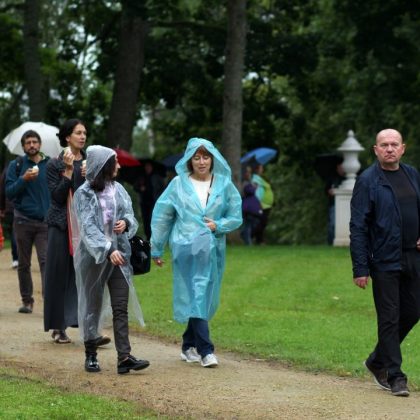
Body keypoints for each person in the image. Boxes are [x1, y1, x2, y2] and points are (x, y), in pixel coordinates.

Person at [151, 137, 242, 367]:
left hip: (211, 250)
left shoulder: (224, 184)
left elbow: (236, 216)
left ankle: (187, 344)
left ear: (213, 159)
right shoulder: (178, 184)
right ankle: (206, 350)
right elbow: (162, 216)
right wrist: (156, 248)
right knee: (197, 293)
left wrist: (217, 225)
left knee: (200, 295)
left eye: (206, 157)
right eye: (197, 157)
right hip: (184, 247)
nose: (202, 162)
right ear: (189, 161)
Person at [350, 128, 420, 397]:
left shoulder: (412, 174)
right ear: (376, 150)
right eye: (384, 145)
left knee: (413, 311)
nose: (389, 149)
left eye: (394, 144)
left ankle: (377, 360)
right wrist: (360, 268)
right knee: (389, 318)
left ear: (403, 148)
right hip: (384, 260)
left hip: (413, 257)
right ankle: (395, 375)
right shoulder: (368, 181)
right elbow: (358, 226)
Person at [73, 145, 149, 374]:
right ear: (103, 165)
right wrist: (107, 249)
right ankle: (91, 354)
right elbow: (87, 227)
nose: (119, 165)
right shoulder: (84, 193)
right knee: (92, 306)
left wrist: (126, 223)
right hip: (94, 258)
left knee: (120, 307)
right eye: (115, 161)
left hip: (120, 257)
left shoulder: (119, 190)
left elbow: (130, 216)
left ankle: (124, 357)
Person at [43, 119, 111, 347]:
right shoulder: (54, 164)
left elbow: (102, 192)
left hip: (87, 227)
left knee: (88, 277)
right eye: (78, 133)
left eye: (84, 133)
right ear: (67, 137)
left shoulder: (90, 161)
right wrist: (69, 172)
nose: (83, 136)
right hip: (61, 226)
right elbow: (57, 197)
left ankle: (90, 331)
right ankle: (58, 327)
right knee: (59, 274)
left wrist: (90, 177)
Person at [5, 130, 50, 314]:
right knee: (24, 263)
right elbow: (9, 192)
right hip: (23, 220)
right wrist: (23, 179)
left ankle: (49, 301)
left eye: (34, 142)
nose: (32, 145)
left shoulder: (50, 164)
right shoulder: (16, 165)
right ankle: (27, 301)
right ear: (23, 146)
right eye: (28, 142)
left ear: (40, 144)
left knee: (45, 261)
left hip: (45, 222)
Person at [134, 161, 165, 240]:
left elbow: (163, 188)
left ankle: (154, 236)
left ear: (152, 167)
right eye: (146, 166)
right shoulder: (141, 177)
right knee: (145, 220)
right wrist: (140, 188)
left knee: (152, 219)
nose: (147, 168)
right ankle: (148, 237)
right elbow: (135, 187)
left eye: (149, 166)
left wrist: (159, 197)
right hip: (144, 203)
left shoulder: (156, 177)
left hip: (153, 202)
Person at [0, 163, 18, 267]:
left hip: (10, 206)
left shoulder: (7, 169)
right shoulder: (30, 167)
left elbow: (2, 190)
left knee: (14, 232)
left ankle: (16, 259)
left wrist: (2, 207)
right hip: (23, 206)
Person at [252, 164, 274, 244]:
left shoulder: (260, 179)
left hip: (266, 205)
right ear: (257, 169)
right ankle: (256, 238)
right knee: (262, 222)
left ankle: (259, 239)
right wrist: (258, 202)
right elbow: (257, 192)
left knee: (263, 222)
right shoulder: (255, 179)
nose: (262, 170)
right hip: (262, 204)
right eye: (261, 168)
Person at [326, 159, 345, 245]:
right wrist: (330, 192)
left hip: (345, 206)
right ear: (337, 167)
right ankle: (331, 243)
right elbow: (326, 190)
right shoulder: (332, 178)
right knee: (332, 225)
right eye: (340, 167)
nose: (342, 169)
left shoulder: (348, 178)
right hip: (333, 205)